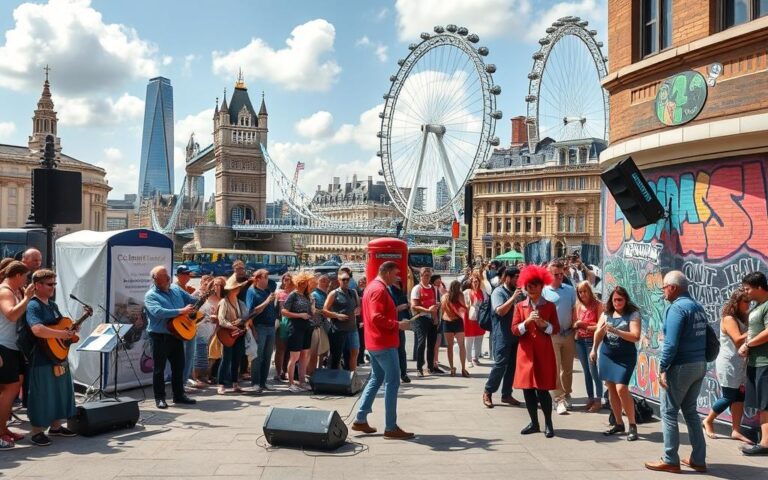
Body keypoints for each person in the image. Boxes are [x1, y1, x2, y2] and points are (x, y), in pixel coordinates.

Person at [645, 271, 707, 472]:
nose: (663, 291)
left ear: (672, 287)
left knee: (669, 412)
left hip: (681, 366)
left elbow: (670, 344)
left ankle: (670, 459)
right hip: (699, 364)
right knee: (690, 411)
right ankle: (698, 458)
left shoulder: (676, 309)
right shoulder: (697, 307)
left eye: (664, 287)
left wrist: (662, 368)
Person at [25, 269, 92, 446]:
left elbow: (61, 326)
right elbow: (37, 330)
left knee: (60, 391)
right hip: (41, 357)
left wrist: (71, 330)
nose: (53, 287)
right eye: (49, 284)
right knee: (43, 394)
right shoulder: (33, 305)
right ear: (37, 285)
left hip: (58, 355)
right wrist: (62, 333)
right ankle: (37, 431)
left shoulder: (52, 305)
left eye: (54, 284)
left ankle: (55, 427)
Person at [351, 261, 413, 439]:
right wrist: (398, 324)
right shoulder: (379, 290)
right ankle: (391, 427)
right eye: (395, 274)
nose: (397, 277)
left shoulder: (372, 287)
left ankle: (360, 418)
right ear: (386, 273)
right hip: (384, 343)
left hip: (374, 342)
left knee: (377, 378)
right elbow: (376, 317)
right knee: (392, 382)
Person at [511, 265, 559, 438]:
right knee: (527, 389)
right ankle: (534, 422)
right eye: (529, 285)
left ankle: (548, 422)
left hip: (543, 351)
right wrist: (527, 323)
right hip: (525, 352)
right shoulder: (520, 306)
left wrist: (544, 325)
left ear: (542, 286)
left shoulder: (550, 306)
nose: (531, 288)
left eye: (535, 285)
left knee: (543, 389)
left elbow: (556, 329)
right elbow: (515, 330)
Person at [144, 265, 198, 409]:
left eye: (167, 275)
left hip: (176, 335)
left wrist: (203, 294)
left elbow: (192, 300)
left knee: (178, 367)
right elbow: (158, 312)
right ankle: (160, 398)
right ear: (156, 279)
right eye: (164, 276)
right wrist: (181, 311)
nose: (168, 278)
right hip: (159, 337)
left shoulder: (175, 289)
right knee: (159, 369)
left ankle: (179, 395)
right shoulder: (151, 295)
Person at [592, 286, 641, 442]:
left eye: (620, 299)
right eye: (614, 300)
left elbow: (635, 336)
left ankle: (632, 424)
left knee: (621, 388)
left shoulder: (632, 315)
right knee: (611, 387)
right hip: (607, 355)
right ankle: (619, 423)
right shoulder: (606, 314)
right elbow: (598, 334)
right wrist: (594, 349)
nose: (617, 302)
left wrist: (616, 331)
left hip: (625, 356)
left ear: (625, 300)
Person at [703, 288, 751, 443]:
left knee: (739, 396)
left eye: (750, 301)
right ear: (736, 303)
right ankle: (708, 420)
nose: (749, 304)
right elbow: (738, 340)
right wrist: (756, 332)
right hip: (729, 362)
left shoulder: (744, 317)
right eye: (745, 301)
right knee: (729, 396)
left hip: (741, 363)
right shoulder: (729, 318)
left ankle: (736, 430)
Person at [0, 261, 33, 448]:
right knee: (9, 389)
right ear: (17, 276)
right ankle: (0, 431)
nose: (26, 281)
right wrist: (27, 298)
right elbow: (11, 315)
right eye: (25, 277)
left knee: (12, 388)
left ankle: (4, 429)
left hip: (13, 347)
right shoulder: (4, 291)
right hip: (4, 346)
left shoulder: (13, 291)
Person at [483, 268, 525, 408]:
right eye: (515, 277)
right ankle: (488, 391)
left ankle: (506, 394)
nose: (517, 280)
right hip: (502, 335)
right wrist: (513, 299)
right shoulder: (498, 292)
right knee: (500, 365)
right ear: (507, 277)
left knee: (512, 366)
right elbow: (500, 311)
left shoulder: (518, 292)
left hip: (516, 334)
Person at [542, 261, 577, 415]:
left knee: (567, 368)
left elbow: (574, 310)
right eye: (556, 274)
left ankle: (567, 393)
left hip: (568, 333)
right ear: (549, 275)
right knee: (555, 368)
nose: (559, 277)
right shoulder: (544, 291)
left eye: (561, 274)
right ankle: (558, 399)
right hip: (552, 335)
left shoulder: (570, 290)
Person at [739, 272, 768, 456]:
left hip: (765, 362)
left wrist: (748, 344)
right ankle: (764, 441)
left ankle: (765, 443)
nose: (746, 292)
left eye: (748, 288)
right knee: (761, 404)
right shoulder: (759, 306)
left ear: (759, 287)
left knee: (766, 404)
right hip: (755, 362)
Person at [215, 274, 250, 394]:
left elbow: (246, 316)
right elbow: (221, 319)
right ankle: (221, 384)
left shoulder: (241, 302)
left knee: (237, 359)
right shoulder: (224, 302)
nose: (238, 289)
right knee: (226, 359)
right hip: (228, 334)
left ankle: (235, 383)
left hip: (239, 334)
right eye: (236, 288)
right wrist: (232, 325)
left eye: (238, 288)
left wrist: (243, 322)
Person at [282, 271, 316, 392]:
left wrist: (312, 310)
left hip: (307, 326)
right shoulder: (293, 295)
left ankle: (301, 381)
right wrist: (299, 315)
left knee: (304, 355)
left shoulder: (307, 296)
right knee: (294, 356)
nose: (303, 284)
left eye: (305, 282)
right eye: (301, 282)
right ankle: (291, 383)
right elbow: (284, 311)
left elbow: (311, 313)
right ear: (297, 283)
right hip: (295, 326)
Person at [246, 269, 277, 393]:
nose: (267, 279)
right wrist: (267, 302)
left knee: (268, 356)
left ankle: (263, 383)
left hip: (270, 327)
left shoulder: (268, 290)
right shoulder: (251, 292)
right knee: (258, 356)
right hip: (259, 327)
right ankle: (255, 383)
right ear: (258, 279)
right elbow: (251, 311)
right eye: (265, 277)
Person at [574, 281, 603, 412]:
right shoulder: (578, 305)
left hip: (592, 341)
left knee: (593, 371)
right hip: (580, 340)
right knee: (586, 371)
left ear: (589, 291)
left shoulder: (597, 305)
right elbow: (574, 322)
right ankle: (590, 398)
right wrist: (576, 326)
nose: (582, 294)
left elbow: (600, 326)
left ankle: (598, 399)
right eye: (580, 292)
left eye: (585, 291)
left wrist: (583, 325)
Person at [325, 271, 361, 372]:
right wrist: (336, 315)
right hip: (338, 330)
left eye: (347, 279)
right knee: (336, 355)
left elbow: (358, 306)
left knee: (354, 353)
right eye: (343, 279)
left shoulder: (353, 292)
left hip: (352, 329)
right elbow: (324, 310)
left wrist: (358, 309)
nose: (346, 281)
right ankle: (333, 378)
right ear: (339, 281)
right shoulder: (334, 293)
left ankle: (352, 378)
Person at [174, 265, 201, 391]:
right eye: (185, 274)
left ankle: (185, 379)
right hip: (180, 327)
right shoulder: (174, 289)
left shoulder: (190, 289)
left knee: (190, 354)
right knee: (181, 355)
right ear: (178, 275)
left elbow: (194, 307)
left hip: (190, 325)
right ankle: (181, 383)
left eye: (188, 273)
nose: (188, 276)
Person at [411, 267, 441, 376]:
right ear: (421, 276)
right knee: (421, 343)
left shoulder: (434, 288)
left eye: (429, 275)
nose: (427, 277)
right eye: (425, 275)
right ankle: (419, 368)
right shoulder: (417, 288)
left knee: (432, 344)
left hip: (431, 318)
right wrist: (427, 310)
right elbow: (414, 306)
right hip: (420, 318)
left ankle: (430, 367)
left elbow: (435, 304)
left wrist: (435, 317)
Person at [195, 276, 221, 385]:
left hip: (210, 331)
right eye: (204, 284)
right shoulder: (197, 296)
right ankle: (197, 377)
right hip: (200, 331)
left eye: (208, 285)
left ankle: (204, 376)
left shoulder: (210, 298)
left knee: (206, 356)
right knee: (200, 356)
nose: (206, 287)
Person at [441, 280, 468, 377]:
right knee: (461, 346)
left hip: (447, 322)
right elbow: (464, 307)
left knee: (450, 346)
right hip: (458, 322)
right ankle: (463, 368)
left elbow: (443, 310)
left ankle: (452, 368)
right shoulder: (460, 295)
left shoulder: (444, 297)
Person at [388, 278, 411, 383]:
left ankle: (403, 373)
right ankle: (395, 373)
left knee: (401, 350)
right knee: (393, 351)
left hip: (400, 324)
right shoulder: (389, 291)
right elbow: (388, 310)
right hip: (392, 324)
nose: (398, 284)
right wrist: (399, 308)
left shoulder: (401, 292)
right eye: (396, 282)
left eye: (399, 282)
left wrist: (407, 306)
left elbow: (406, 307)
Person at [273, 273, 295, 382]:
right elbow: (282, 310)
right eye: (285, 280)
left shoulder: (295, 293)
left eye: (290, 280)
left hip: (293, 322)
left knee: (289, 350)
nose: (288, 282)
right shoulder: (280, 293)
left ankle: (285, 371)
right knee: (280, 349)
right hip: (282, 322)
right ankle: (278, 372)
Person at [308, 275, 331, 375]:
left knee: (323, 350)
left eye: (327, 281)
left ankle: (319, 369)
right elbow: (313, 310)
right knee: (315, 351)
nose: (326, 283)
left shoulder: (326, 294)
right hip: (316, 325)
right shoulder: (314, 295)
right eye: (323, 281)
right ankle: (312, 372)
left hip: (324, 324)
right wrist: (326, 313)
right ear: (319, 282)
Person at [463, 273, 486, 367]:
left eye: (477, 281)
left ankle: (475, 357)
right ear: (470, 282)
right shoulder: (467, 292)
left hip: (480, 318)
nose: (475, 283)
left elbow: (485, 304)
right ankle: (468, 359)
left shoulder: (482, 292)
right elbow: (462, 305)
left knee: (479, 338)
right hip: (469, 318)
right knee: (469, 339)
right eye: (473, 282)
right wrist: (468, 306)